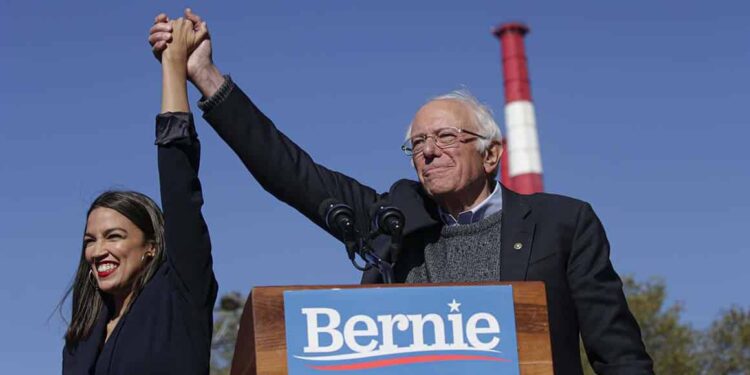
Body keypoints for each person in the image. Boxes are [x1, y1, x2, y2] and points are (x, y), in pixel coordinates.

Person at [149, 10, 654, 374]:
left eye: (446, 138)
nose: (429, 151)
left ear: (493, 154)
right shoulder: (394, 223)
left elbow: (620, 354)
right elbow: (289, 170)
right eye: (417, 143)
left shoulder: (562, 224)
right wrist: (203, 75)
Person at [62, 18, 217, 374]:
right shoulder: (82, 335)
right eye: (91, 240)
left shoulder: (177, 296)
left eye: (113, 236)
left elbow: (179, 181)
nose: (98, 250)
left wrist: (173, 67)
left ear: (151, 246)